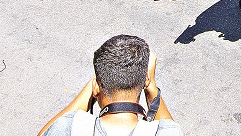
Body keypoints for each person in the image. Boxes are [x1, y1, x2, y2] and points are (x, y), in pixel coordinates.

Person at [38, 35, 181, 136]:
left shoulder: (68, 127)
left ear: (96, 87)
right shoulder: (166, 132)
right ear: (146, 80)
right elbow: (170, 128)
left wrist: (95, 84)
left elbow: (46, 132)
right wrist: (151, 87)